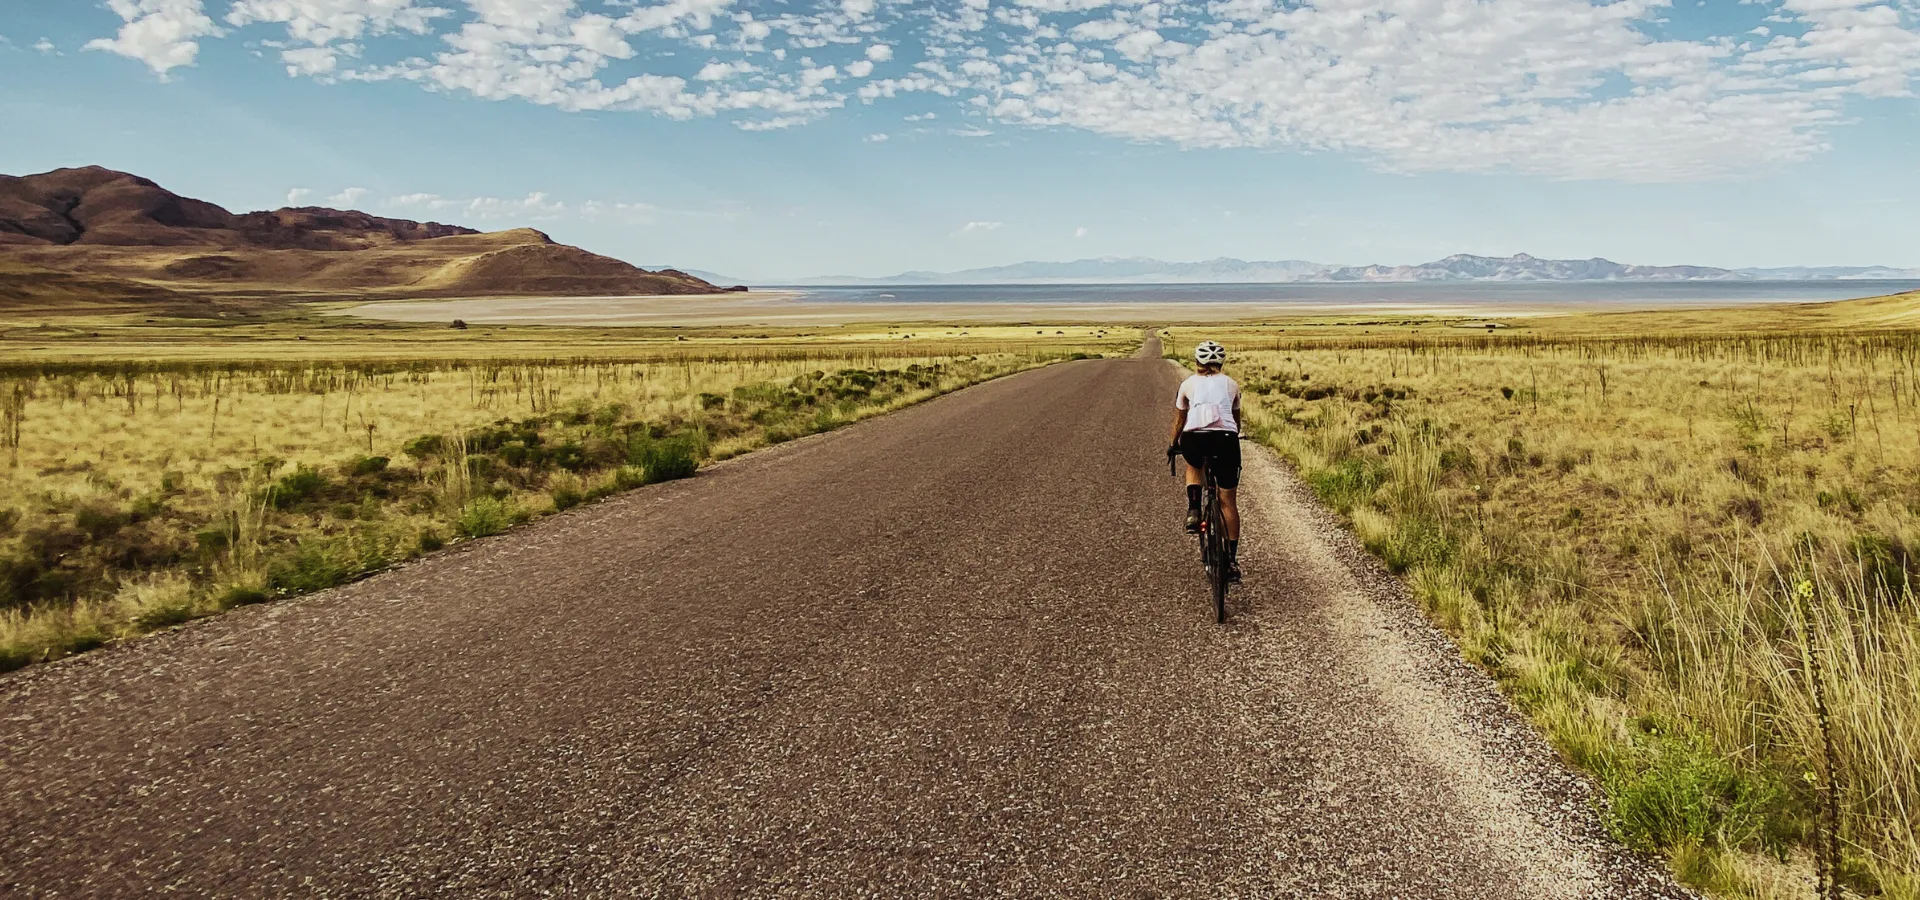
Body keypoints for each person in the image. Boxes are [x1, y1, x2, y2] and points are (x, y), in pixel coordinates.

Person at [1168, 340, 1242, 581]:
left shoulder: (1187, 384)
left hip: (1194, 438)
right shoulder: (1232, 384)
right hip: (1225, 440)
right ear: (1220, 362)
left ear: (1197, 362)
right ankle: (1230, 561)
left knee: (1193, 463)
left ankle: (1193, 509)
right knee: (1227, 500)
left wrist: (1173, 444)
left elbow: (1180, 420)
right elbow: (1236, 420)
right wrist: (1233, 438)